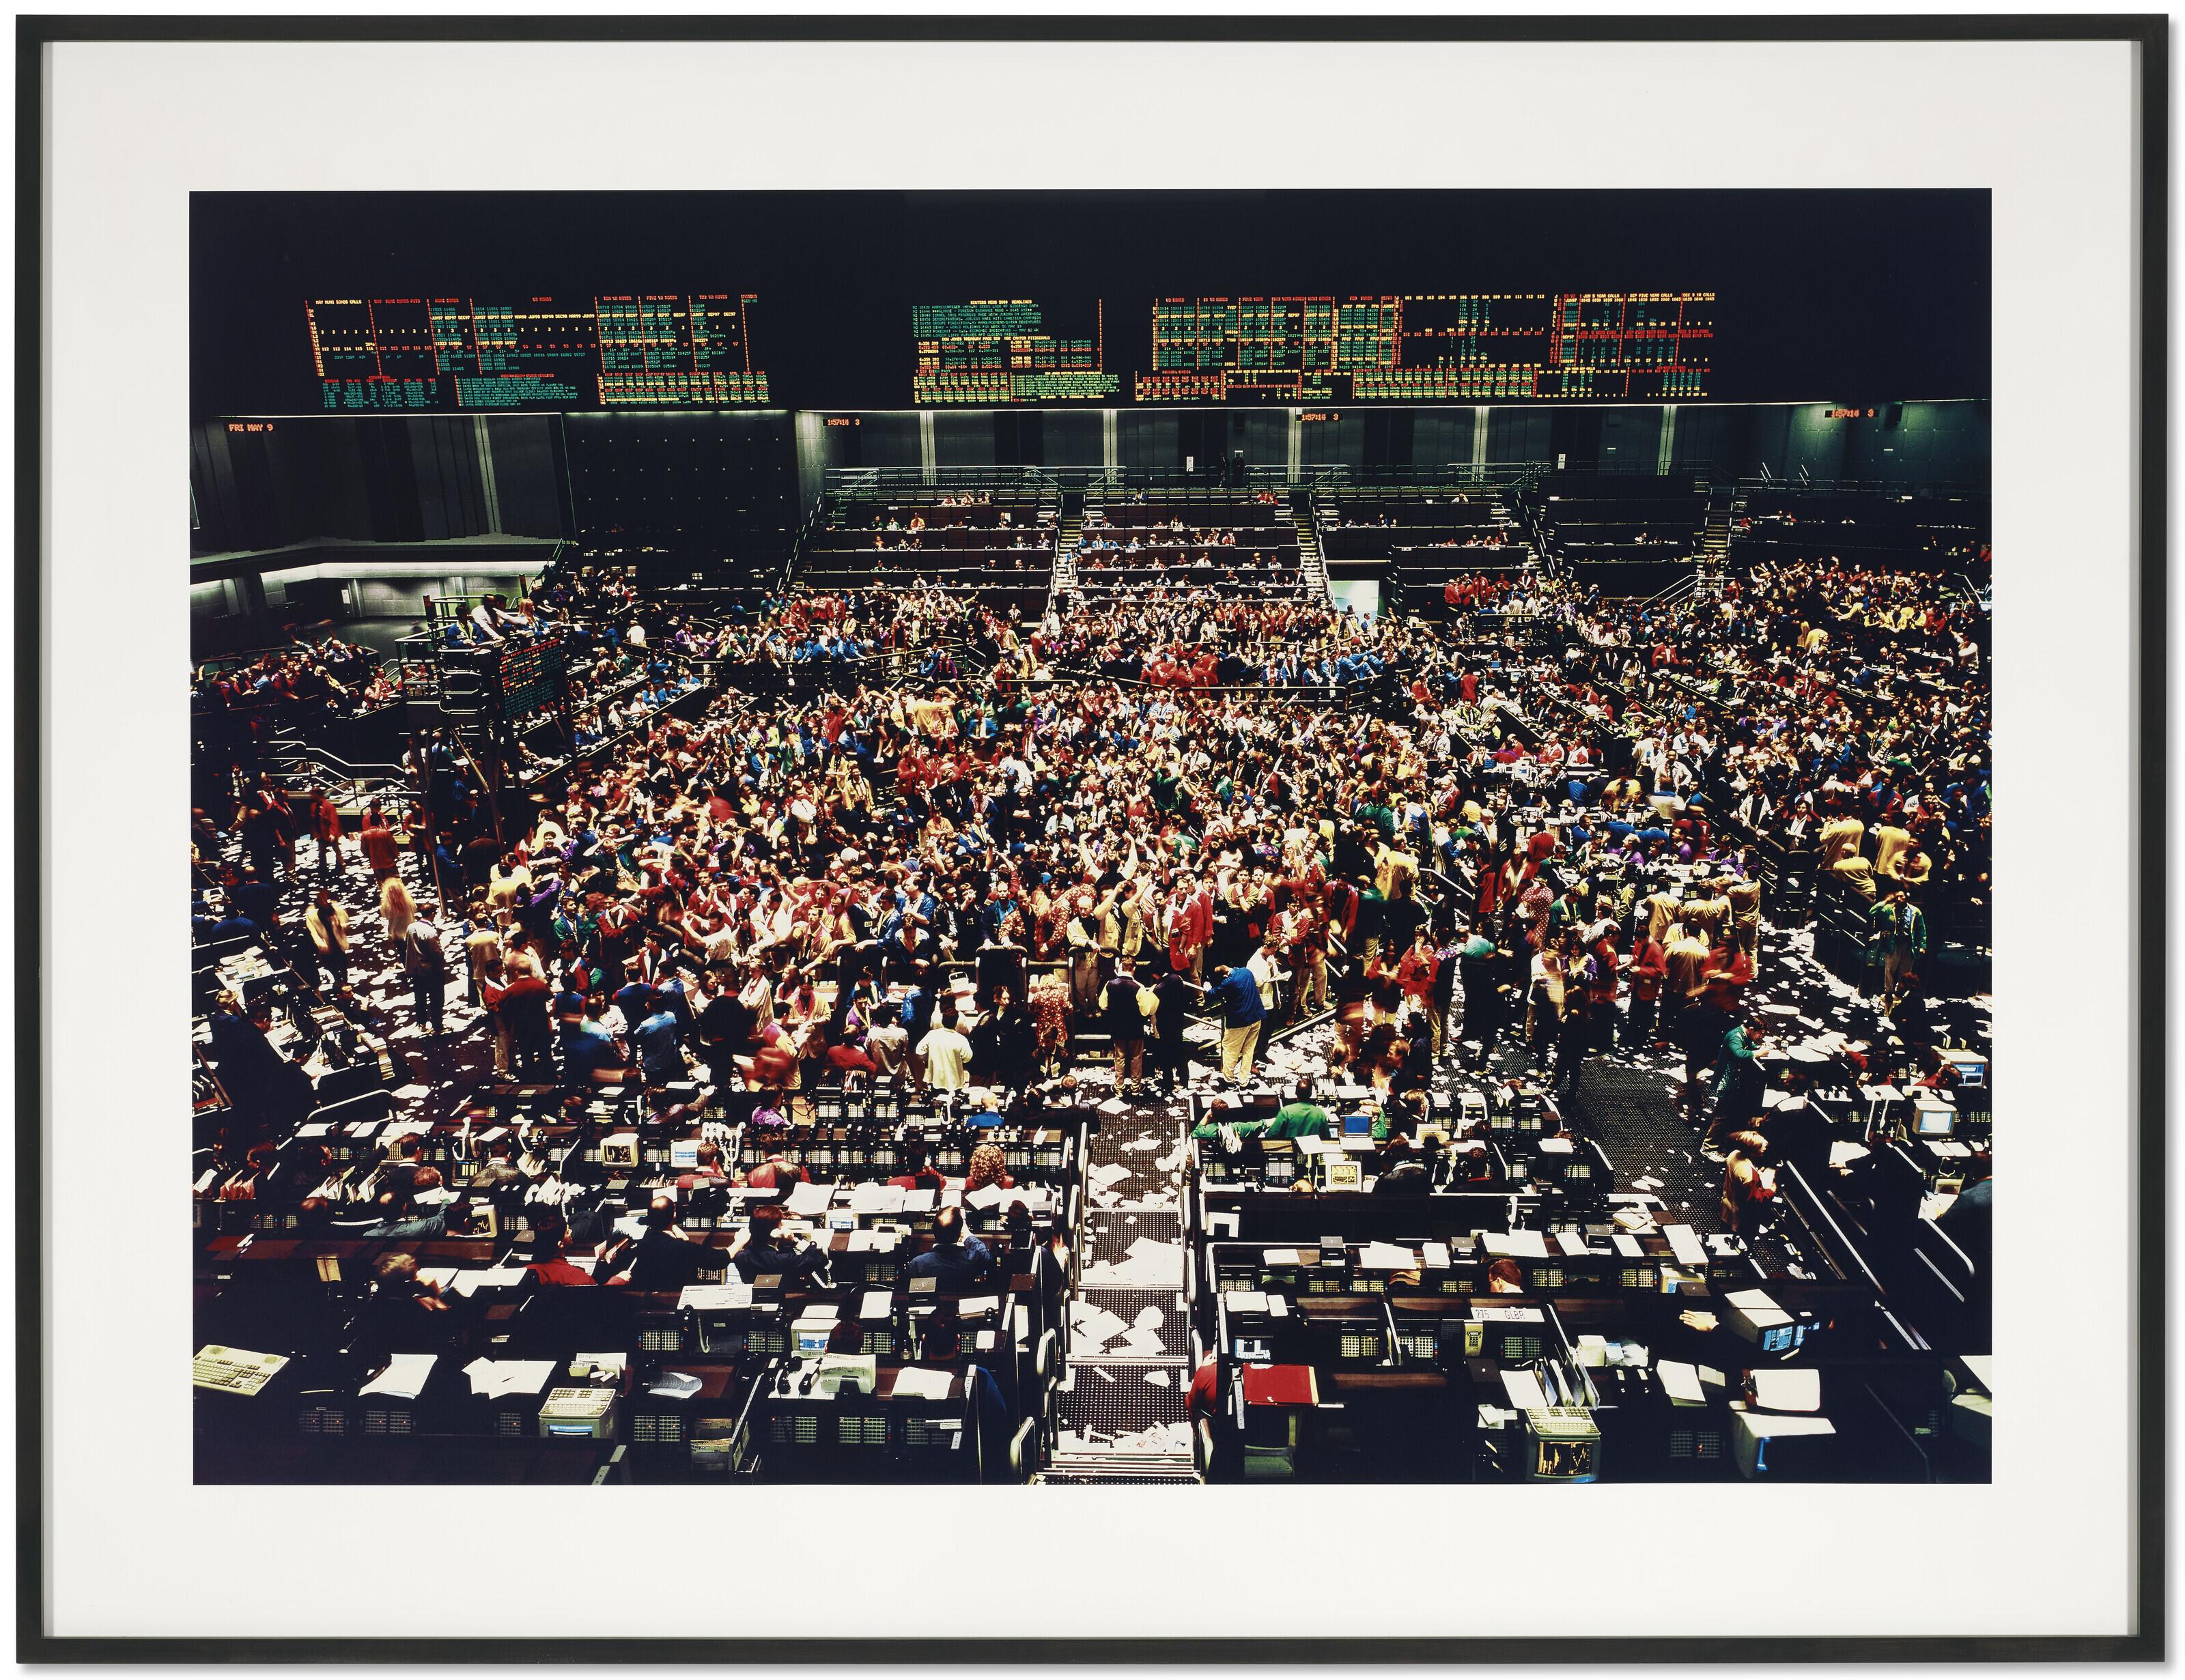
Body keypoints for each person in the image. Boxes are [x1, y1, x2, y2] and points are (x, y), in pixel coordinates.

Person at [905, 1205, 993, 1292]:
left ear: (934, 1231)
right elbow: (987, 1255)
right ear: (959, 1233)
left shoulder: (917, 1264)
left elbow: (905, 1293)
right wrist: (968, 1235)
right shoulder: (972, 1260)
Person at [1210, 960, 1265, 1086]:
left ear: (1225, 976)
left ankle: (1229, 1080)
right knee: (1249, 1050)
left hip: (1239, 1021)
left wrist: (1208, 988)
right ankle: (1244, 1081)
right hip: (1256, 1016)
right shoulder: (1246, 972)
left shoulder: (1229, 982)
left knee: (1230, 1049)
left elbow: (1214, 993)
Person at [1102, 960, 1148, 1096]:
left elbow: (1103, 1005)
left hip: (1118, 1027)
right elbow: (1145, 1011)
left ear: (1120, 968)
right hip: (1135, 1028)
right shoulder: (1139, 987)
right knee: (1136, 1058)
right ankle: (1135, 1087)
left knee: (1119, 1057)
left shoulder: (1110, 984)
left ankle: (1119, 1087)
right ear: (1134, 969)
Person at [1719, 1131, 1776, 1235]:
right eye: (1760, 1146)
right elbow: (1755, 1199)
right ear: (1752, 1151)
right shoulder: (1749, 1175)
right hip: (1740, 1216)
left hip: (1727, 1204)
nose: (1764, 1147)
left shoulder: (1734, 1154)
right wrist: (1771, 1190)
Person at [401, 917, 451, 1038]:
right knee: (437, 999)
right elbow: (436, 953)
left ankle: (422, 1023)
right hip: (432, 971)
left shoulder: (411, 927)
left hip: (416, 970)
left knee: (420, 998)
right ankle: (437, 1026)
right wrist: (443, 948)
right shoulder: (430, 931)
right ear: (433, 914)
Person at [303, 888, 350, 993]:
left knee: (343, 966)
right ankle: (338, 983)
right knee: (332, 967)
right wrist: (321, 945)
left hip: (338, 943)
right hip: (326, 947)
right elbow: (313, 932)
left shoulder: (336, 910)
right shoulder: (312, 915)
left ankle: (345, 982)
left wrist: (339, 924)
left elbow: (345, 923)